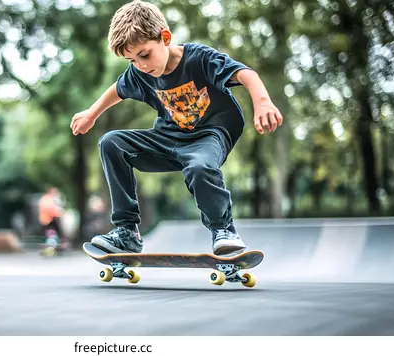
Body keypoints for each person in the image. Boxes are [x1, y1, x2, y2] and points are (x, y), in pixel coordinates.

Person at [69, 0, 283, 255]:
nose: (141, 66)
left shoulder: (199, 58)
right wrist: (91, 114)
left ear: (165, 37)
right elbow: (118, 89)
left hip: (208, 136)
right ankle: (127, 232)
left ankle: (224, 230)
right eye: (132, 60)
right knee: (111, 143)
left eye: (145, 55)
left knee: (200, 166)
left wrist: (263, 102)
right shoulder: (139, 73)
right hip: (167, 140)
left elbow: (245, 73)